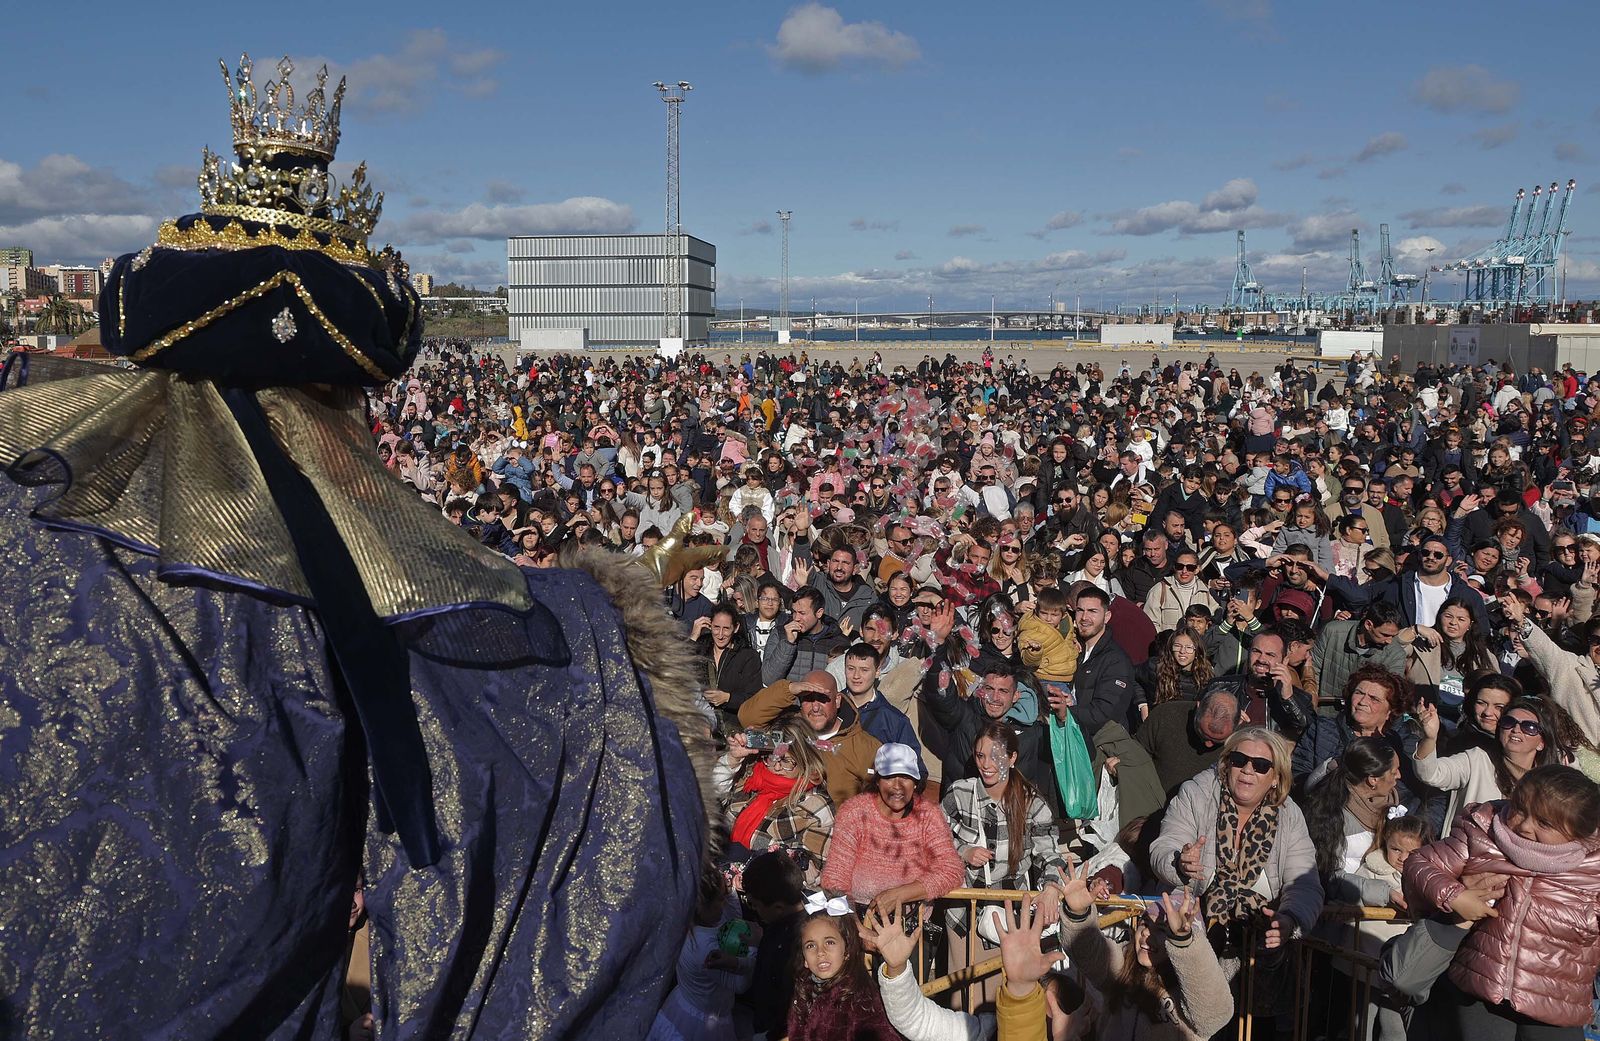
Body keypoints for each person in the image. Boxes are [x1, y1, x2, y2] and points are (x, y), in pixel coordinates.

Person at [0, 55, 707, 1039]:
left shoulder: (23, 516)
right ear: (344, 395)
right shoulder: (375, 601)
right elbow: (556, 830)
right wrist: (607, 618)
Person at [1405, 765, 1600, 1037]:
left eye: (1544, 823)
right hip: (1478, 990)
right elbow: (1420, 863)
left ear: (1579, 832)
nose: (1524, 825)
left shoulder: (1593, 868)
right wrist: (1456, 895)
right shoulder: (1482, 834)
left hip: (1556, 1003)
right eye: (1520, 808)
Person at [1150, 727, 1323, 981]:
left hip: (1258, 952)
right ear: (1226, 764)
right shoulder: (1196, 794)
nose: (1248, 770)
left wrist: (1291, 920)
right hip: (1188, 940)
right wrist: (1178, 862)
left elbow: (1305, 884)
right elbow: (1163, 847)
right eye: (1239, 760)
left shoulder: (1290, 816)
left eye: (1261, 765)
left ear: (1276, 777)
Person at [940, 720, 1071, 1009]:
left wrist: (1050, 887)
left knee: (1009, 1001)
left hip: (1012, 916)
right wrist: (962, 851)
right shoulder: (960, 794)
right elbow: (931, 843)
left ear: (1012, 758)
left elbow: (1050, 853)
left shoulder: (1031, 802)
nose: (986, 764)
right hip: (966, 915)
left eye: (996, 756)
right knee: (968, 1005)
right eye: (980, 755)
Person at [1057, 872, 1235, 1041]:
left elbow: (1214, 1016)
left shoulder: (1196, 985)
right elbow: (1089, 953)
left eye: (1162, 930)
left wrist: (1184, 944)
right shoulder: (1124, 963)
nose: (1147, 934)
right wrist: (1078, 914)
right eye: (1145, 924)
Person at [819, 743, 964, 914]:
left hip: (911, 920)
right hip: (859, 915)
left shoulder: (928, 814)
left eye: (905, 777)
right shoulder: (854, 812)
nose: (897, 786)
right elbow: (835, 878)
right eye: (889, 777)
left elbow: (951, 869)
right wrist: (857, 928)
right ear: (878, 781)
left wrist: (900, 894)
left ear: (915, 783)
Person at [1414, 696, 1564, 837]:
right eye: (1508, 722)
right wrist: (1430, 738)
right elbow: (1431, 774)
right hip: (1467, 857)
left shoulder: (1553, 780)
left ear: (1542, 743)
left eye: (1529, 727)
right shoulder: (1477, 759)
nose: (1516, 729)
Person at [716, 719, 836, 886]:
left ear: (804, 760)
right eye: (772, 758)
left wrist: (755, 872)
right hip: (722, 887)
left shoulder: (817, 804)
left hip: (770, 897)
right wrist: (732, 759)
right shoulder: (751, 777)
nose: (777, 767)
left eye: (786, 761)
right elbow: (707, 799)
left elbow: (813, 872)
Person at [739, 670, 881, 810]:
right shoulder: (787, 729)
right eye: (808, 699)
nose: (815, 707)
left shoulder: (866, 747)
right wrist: (789, 689)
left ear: (837, 700)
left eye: (823, 699)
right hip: (775, 822)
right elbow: (748, 717)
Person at [646, 868, 754, 1041]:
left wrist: (731, 891)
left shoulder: (688, 924)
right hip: (703, 1021)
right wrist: (753, 949)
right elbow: (739, 985)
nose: (724, 903)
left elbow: (733, 921)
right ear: (703, 906)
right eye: (720, 899)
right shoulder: (706, 947)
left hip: (684, 1001)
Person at [1300, 737, 1406, 908]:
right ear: (1373, 779)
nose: (1399, 776)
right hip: (1346, 912)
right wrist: (1384, 893)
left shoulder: (1391, 804)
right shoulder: (1330, 814)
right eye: (1394, 772)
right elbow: (1328, 878)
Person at [784, 900, 900, 1041]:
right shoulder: (804, 989)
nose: (820, 952)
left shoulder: (860, 997)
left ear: (847, 951)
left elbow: (882, 1034)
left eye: (830, 942)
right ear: (804, 959)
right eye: (810, 946)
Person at [1138, 687, 1242, 799]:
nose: (1208, 744)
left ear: (1237, 724)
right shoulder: (1165, 715)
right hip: (1151, 804)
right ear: (1198, 708)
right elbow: (1136, 755)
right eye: (1203, 734)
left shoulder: (1241, 741)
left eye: (1218, 741)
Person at [698, 604, 764, 723]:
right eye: (716, 627)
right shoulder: (701, 651)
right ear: (710, 625)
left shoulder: (748, 656)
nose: (720, 634)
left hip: (734, 726)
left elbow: (754, 697)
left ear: (736, 627)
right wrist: (693, 636)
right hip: (702, 724)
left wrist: (728, 698)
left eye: (726, 628)